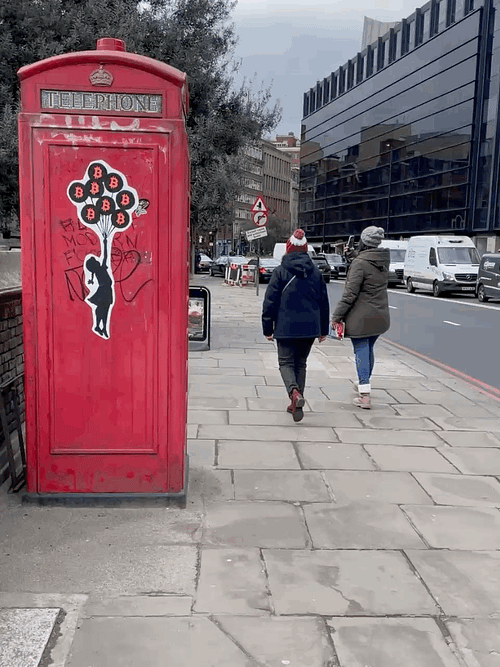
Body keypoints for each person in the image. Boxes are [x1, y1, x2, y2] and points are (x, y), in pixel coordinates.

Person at [262, 229, 330, 422]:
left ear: (289, 248)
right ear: (306, 249)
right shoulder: (315, 273)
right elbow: (323, 303)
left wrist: (267, 328)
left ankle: (294, 393)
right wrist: (323, 329)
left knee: (285, 363)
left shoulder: (280, 271)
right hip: (310, 328)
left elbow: (270, 302)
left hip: (285, 327)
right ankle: (295, 403)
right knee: (301, 364)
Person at [331, 226, 390, 409]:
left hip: (361, 317)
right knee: (368, 349)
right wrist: (354, 257)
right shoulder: (382, 260)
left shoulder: (360, 263)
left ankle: (364, 395)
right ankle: (364, 383)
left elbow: (349, 294)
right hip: (380, 315)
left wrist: (336, 316)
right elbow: (366, 264)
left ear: (363, 241)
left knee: (361, 350)